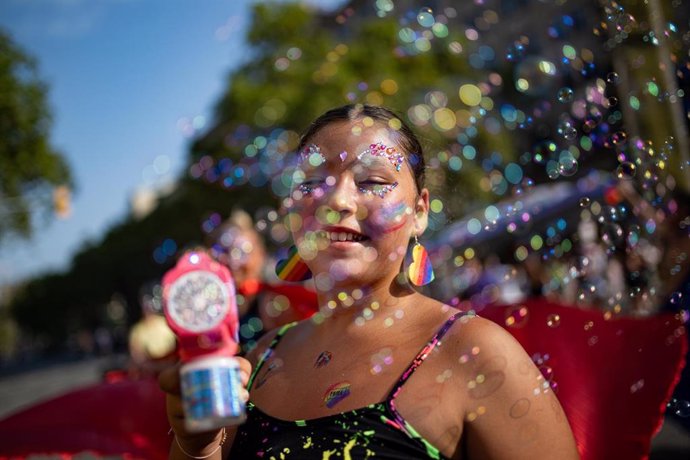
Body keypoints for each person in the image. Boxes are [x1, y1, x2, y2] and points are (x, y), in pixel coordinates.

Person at [160, 104, 579, 459]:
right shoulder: (263, 357)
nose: (337, 200)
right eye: (311, 181)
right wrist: (196, 444)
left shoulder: (474, 352)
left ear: (419, 211)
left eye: (373, 182)